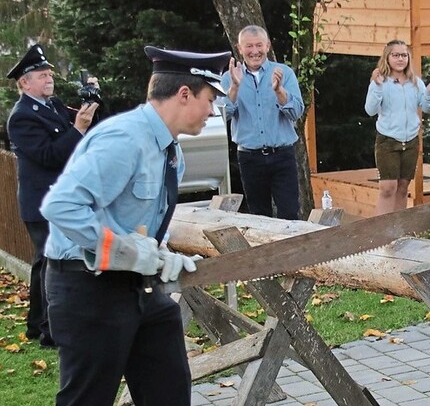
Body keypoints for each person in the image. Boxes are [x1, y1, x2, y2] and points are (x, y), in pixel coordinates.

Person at [40, 46, 230, 406]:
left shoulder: (171, 153)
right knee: (87, 399)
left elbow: (138, 224)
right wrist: (127, 250)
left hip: (136, 290)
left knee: (169, 388)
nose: (212, 109)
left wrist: (160, 252)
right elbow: (61, 206)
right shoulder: (125, 139)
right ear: (184, 94)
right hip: (87, 288)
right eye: (209, 99)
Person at [5, 44, 98, 348]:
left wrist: (93, 100)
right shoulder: (21, 117)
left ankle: (36, 324)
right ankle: (50, 331)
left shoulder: (52, 104)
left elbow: (85, 122)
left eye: (49, 74)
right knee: (52, 263)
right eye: (42, 75)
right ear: (24, 83)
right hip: (42, 202)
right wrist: (78, 128)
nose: (49, 79)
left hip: (57, 199)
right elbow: (49, 156)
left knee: (42, 262)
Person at [222, 25, 305, 219]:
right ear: (240, 48)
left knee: (290, 214)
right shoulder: (229, 77)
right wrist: (234, 87)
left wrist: (279, 92)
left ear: (267, 46)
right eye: (249, 46)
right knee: (259, 216)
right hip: (250, 158)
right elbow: (222, 116)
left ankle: (289, 250)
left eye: (259, 45)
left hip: (282, 155)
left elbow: (296, 112)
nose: (254, 51)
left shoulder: (284, 73)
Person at [365, 40, 430, 215]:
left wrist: (429, 92)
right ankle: (381, 230)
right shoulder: (380, 82)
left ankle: (397, 229)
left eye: (404, 55)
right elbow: (370, 110)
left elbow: (428, 107)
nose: (400, 59)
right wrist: (376, 86)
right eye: (396, 55)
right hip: (388, 139)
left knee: (403, 186)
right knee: (387, 186)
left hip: (411, 140)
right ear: (387, 57)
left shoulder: (415, 82)